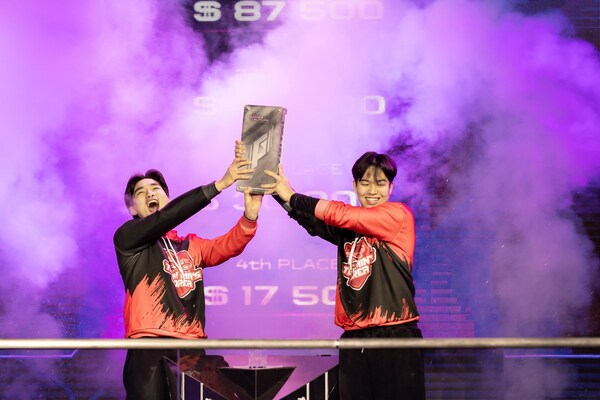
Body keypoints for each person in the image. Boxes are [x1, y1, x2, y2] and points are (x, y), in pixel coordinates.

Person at [263, 152, 425, 400]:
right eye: (365, 183)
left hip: (395, 336)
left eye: (380, 183)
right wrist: (278, 192)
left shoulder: (397, 215)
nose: (372, 191)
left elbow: (342, 214)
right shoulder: (349, 230)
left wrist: (292, 196)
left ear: (391, 188)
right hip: (354, 339)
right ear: (355, 186)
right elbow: (310, 220)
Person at [114, 141, 263, 399]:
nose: (150, 194)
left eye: (156, 188)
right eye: (141, 192)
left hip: (192, 349)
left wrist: (249, 217)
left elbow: (228, 246)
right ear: (132, 208)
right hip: (148, 346)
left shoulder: (191, 244)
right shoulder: (127, 239)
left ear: (168, 199)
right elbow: (167, 217)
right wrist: (220, 184)